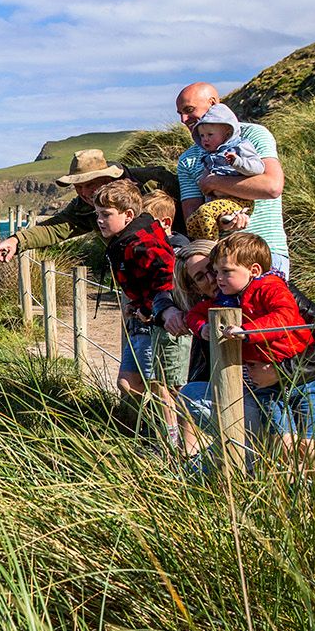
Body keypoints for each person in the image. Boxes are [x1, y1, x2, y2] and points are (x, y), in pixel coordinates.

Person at [170, 240, 315, 457]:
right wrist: (166, 311)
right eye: (202, 276)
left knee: (307, 453)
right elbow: (161, 293)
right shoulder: (213, 312)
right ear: (194, 288)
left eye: (218, 270)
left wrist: (281, 372)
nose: (215, 279)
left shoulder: (272, 291)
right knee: (191, 395)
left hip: (305, 387)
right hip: (259, 397)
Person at [174, 83, 290, 275]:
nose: (184, 119)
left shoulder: (252, 135)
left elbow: (271, 187)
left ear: (212, 103)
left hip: (266, 252)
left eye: (188, 110)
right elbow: (193, 220)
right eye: (180, 113)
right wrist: (219, 221)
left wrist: (213, 182)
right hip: (220, 261)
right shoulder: (188, 159)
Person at [0, 149, 181, 263]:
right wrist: (16, 241)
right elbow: (56, 228)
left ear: (108, 178)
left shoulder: (152, 184)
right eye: (78, 186)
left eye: (90, 184)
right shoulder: (85, 207)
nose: (84, 192)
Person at [93, 180, 176, 415]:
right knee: (128, 383)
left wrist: (150, 309)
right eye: (97, 213)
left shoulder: (143, 242)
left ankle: (170, 445)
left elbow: (167, 277)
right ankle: (143, 430)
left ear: (128, 215)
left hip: (157, 324)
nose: (99, 220)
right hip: (141, 320)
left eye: (106, 214)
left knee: (161, 388)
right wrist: (138, 304)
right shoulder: (128, 240)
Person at [141, 189, 190, 447]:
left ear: (165, 223)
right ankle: (170, 437)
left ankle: (178, 442)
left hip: (175, 327)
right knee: (160, 382)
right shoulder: (160, 248)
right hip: (162, 323)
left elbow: (170, 288)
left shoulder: (176, 251)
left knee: (173, 385)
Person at [187, 103, 263, 241]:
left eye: (210, 134)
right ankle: (199, 246)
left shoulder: (240, 147)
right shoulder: (209, 155)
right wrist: (204, 181)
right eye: (202, 135)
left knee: (205, 213)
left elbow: (258, 167)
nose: (205, 139)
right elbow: (205, 180)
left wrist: (237, 162)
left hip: (239, 200)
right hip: (218, 201)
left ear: (227, 133)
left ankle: (211, 246)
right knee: (192, 222)